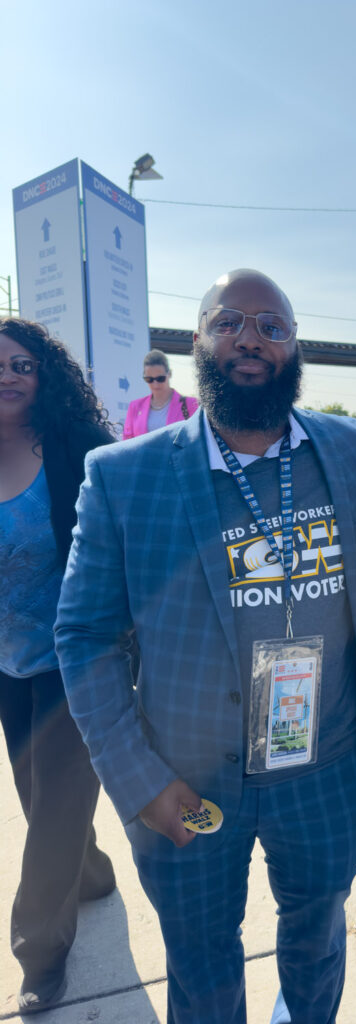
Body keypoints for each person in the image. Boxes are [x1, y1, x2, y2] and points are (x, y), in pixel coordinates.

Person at [55, 269, 356, 1024]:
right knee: (202, 958)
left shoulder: (353, 451)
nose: (251, 338)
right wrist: (136, 780)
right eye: (230, 322)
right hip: (184, 781)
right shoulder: (125, 477)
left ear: (294, 348)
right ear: (197, 342)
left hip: (327, 769)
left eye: (273, 326)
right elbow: (83, 637)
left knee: (317, 939)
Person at [0, 317, 116, 1013]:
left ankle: (39, 960)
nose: (8, 375)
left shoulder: (76, 450)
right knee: (37, 797)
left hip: (75, 661)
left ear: (44, 376)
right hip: (8, 664)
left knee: (55, 808)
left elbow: (125, 529)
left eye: (21, 364)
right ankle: (94, 873)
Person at [122, 348, 199, 438]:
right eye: (149, 379)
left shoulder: (191, 404)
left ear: (169, 374)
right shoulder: (134, 407)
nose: (155, 384)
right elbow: (127, 443)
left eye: (160, 379)